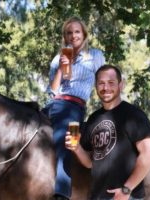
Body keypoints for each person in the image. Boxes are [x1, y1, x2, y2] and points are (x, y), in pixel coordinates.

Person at [65, 64, 150, 200]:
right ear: (96, 87)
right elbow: (91, 163)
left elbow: (149, 153)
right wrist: (77, 148)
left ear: (121, 85)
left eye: (111, 83)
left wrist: (126, 189)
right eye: (101, 83)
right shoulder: (94, 118)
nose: (105, 88)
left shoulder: (133, 115)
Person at [43, 16, 105, 200]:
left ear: (84, 34)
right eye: (69, 33)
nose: (73, 36)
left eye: (77, 32)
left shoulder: (94, 55)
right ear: (65, 36)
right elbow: (52, 91)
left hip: (73, 106)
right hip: (54, 104)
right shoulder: (58, 58)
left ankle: (61, 192)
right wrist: (62, 68)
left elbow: (102, 81)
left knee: (67, 140)